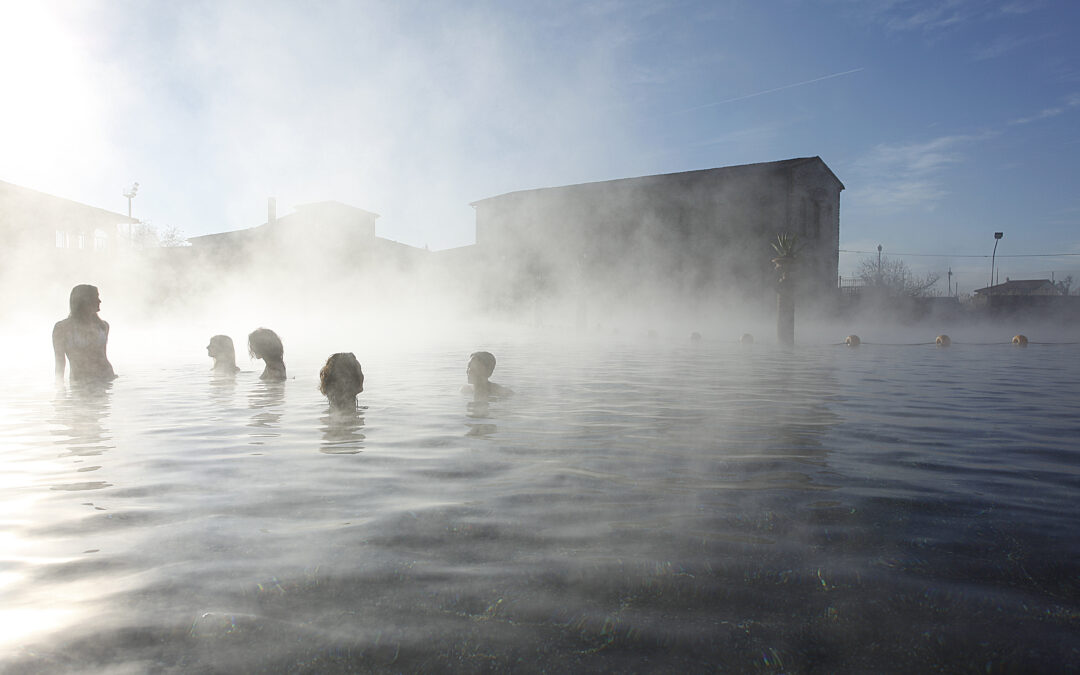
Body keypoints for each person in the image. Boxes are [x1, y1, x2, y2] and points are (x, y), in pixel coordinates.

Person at [53, 284, 116, 382]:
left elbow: (102, 356)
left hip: (107, 378)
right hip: (80, 381)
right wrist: (59, 388)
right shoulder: (62, 328)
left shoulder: (103, 326)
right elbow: (60, 363)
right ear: (84, 300)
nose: (99, 301)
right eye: (96, 297)